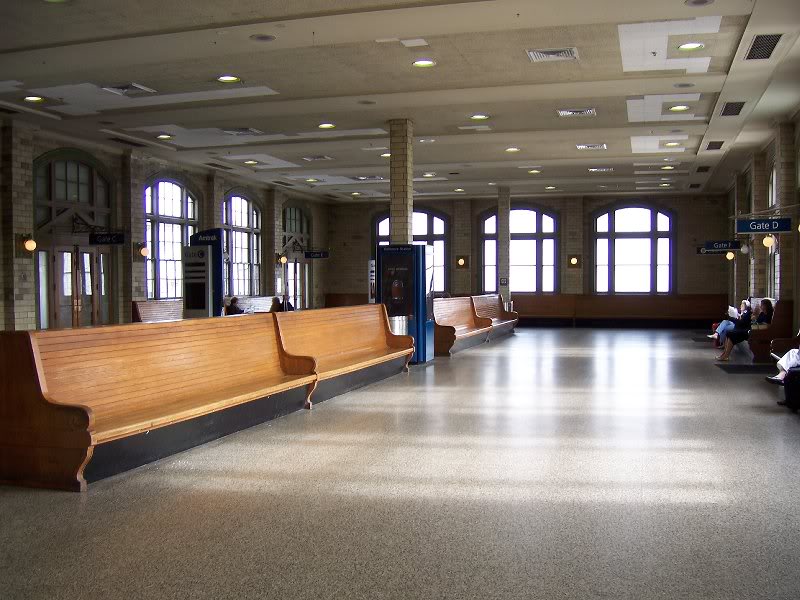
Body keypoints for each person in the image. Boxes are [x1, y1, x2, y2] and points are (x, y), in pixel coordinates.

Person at [708, 298, 773, 345]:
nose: (741, 306)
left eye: (742, 305)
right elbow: (755, 322)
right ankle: (720, 340)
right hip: (747, 327)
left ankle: (721, 343)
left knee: (726, 329)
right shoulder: (761, 314)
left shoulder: (749, 313)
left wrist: (754, 319)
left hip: (749, 328)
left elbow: (764, 324)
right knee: (725, 322)